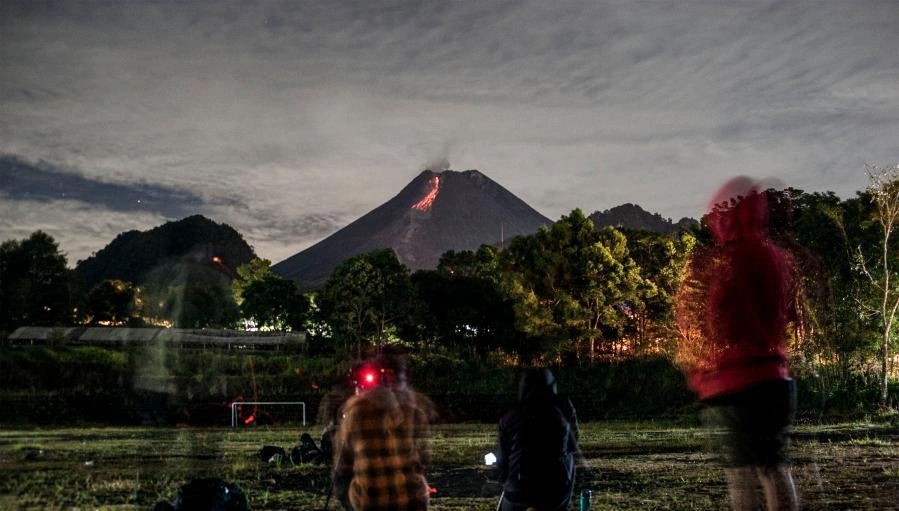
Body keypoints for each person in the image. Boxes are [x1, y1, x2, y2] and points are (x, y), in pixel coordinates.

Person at [676, 177, 800, 511]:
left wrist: (703, 365)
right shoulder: (773, 256)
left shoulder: (731, 262)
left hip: (738, 385)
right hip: (776, 379)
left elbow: (719, 320)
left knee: (742, 475)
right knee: (773, 468)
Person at [332, 348, 436, 511]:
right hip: (412, 502)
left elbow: (343, 464)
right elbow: (423, 459)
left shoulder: (355, 410)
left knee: (342, 481)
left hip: (372, 502)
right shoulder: (416, 406)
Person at [495, 368, 579, 511]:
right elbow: (573, 442)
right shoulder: (562, 410)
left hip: (518, 490)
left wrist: (505, 479)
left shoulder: (510, 416)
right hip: (554, 490)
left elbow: (503, 458)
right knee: (568, 460)